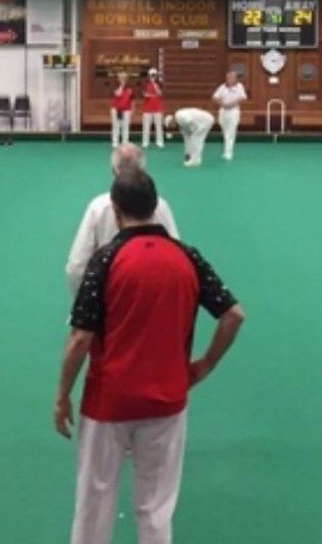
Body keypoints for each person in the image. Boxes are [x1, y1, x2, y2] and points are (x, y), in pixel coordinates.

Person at [55, 169, 245, 544]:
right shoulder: (187, 256)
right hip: (168, 399)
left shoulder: (106, 259)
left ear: (115, 208)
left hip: (108, 400)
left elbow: (80, 338)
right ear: (156, 208)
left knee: (94, 501)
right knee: (156, 508)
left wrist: (62, 394)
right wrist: (204, 364)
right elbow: (233, 315)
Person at [64, 144, 179, 297]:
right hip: (154, 294)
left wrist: (81, 304)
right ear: (143, 171)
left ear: (113, 170)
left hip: (111, 294)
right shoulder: (161, 204)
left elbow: (77, 265)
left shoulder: (98, 207)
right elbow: (175, 252)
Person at [212, 70, 247, 161]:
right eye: (227, 77)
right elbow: (215, 97)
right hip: (223, 111)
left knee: (230, 132)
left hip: (233, 111)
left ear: (235, 79)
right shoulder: (222, 87)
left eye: (231, 77)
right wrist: (221, 103)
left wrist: (232, 103)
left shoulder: (240, 87)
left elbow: (243, 98)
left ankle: (229, 153)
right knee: (224, 132)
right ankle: (225, 151)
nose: (229, 79)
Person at [140, 68, 165, 149]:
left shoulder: (159, 84)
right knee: (146, 126)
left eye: (154, 75)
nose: (153, 77)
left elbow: (160, 93)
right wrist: (152, 95)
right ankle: (145, 142)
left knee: (158, 126)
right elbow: (144, 95)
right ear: (149, 75)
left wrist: (154, 85)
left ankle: (159, 141)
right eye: (151, 75)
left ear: (157, 76)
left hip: (158, 108)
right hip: (147, 108)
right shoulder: (145, 84)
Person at [110, 72, 134, 149]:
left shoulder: (130, 89)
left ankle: (125, 142)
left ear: (127, 79)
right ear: (118, 79)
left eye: (124, 78)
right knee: (116, 126)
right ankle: (115, 142)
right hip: (116, 109)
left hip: (127, 110)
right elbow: (118, 94)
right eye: (121, 78)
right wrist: (121, 86)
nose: (123, 79)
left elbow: (132, 100)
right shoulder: (115, 86)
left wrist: (133, 110)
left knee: (126, 126)